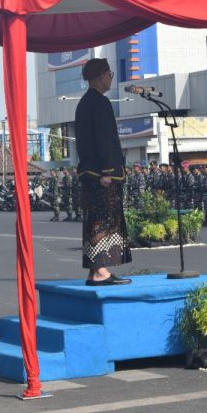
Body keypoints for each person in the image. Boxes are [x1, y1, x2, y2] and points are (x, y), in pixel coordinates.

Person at [75, 58, 131, 285]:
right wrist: (108, 170)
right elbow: (105, 140)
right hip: (102, 174)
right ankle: (100, 270)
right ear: (100, 76)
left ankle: (95, 269)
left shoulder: (84, 103)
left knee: (94, 220)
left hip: (90, 172)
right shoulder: (100, 103)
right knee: (103, 221)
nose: (111, 78)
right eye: (110, 74)